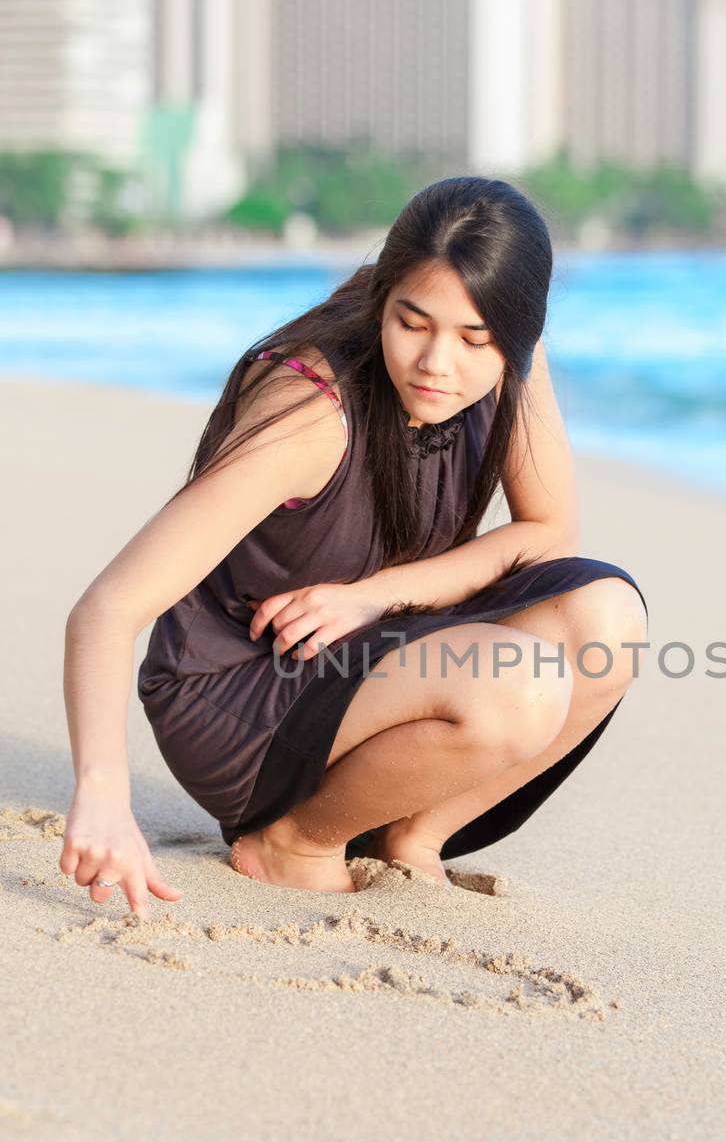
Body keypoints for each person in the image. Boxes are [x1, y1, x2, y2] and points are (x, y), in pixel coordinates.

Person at [60, 176, 648, 914]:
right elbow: (108, 608)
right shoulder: (310, 415)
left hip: (366, 646)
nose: (439, 362)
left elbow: (548, 533)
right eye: (412, 322)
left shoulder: (508, 360)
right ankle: (294, 843)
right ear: (383, 301)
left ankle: (411, 835)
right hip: (241, 690)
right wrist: (104, 799)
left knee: (607, 621)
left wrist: (373, 594)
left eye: (475, 339)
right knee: (521, 679)